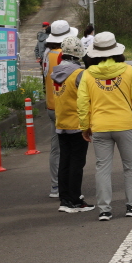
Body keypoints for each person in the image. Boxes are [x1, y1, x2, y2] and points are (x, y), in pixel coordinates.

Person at [78, 31, 132, 221]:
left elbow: (83, 103)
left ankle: (104, 210)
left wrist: (84, 126)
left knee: (102, 168)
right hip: (125, 125)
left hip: (100, 127)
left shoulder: (87, 74)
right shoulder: (127, 71)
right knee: (131, 167)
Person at [52, 36, 94, 213]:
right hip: (77, 123)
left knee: (65, 162)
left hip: (61, 123)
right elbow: (86, 100)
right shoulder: (80, 74)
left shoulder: (56, 72)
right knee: (77, 163)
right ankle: (75, 201)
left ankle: (65, 199)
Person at [43, 20, 78, 198]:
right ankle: (63, 186)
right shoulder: (60, 56)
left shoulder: (47, 53)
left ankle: (56, 186)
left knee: (56, 148)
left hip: (50, 104)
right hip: (63, 106)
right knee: (71, 149)